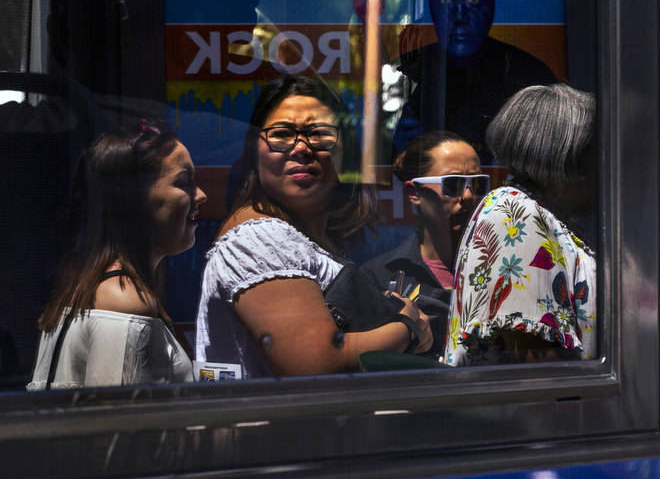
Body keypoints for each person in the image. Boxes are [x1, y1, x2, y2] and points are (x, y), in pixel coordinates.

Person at [195, 75, 432, 378]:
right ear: (254, 152)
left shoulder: (304, 237)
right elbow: (316, 363)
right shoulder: (261, 238)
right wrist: (407, 327)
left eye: (319, 134)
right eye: (281, 133)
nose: (301, 148)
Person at [28, 123, 207, 389]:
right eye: (183, 183)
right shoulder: (124, 299)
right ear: (134, 200)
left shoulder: (87, 284)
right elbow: (122, 425)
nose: (201, 195)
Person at [444, 84, 596, 366]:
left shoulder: (555, 216)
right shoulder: (515, 214)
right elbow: (532, 361)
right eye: (592, 152)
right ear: (562, 156)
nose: (602, 165)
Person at [393, 0, 556, 161]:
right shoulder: (416, 71)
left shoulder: (530, 77)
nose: (460, 16)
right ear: (431, 10)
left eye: (473, 0)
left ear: (492, 8)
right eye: (446, 1)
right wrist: (403, 151)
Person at [365, 131, 489, 357]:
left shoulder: (504, 267)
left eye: (479, 184)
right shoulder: (379, 277)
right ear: (414, 192)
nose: (469, 196)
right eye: (453, 184)